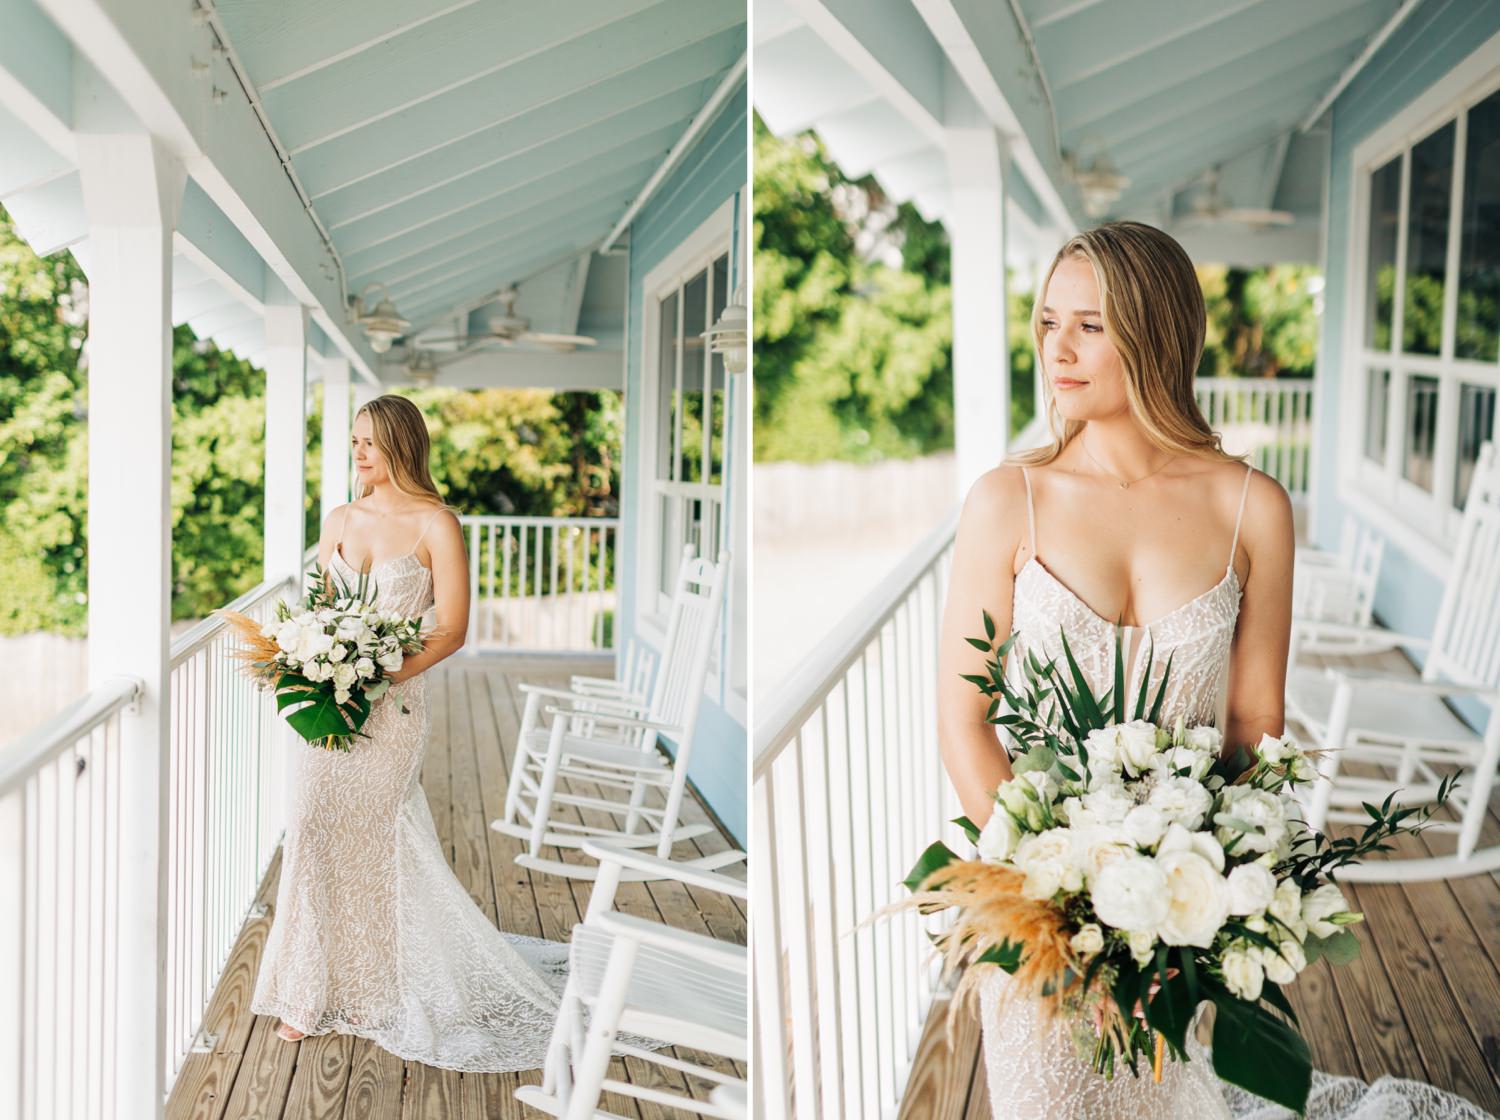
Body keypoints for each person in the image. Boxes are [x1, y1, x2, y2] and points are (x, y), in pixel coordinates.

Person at [936, 222, 1488, 1119]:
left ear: (1156, 338)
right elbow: (965, 721)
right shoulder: (1007, 501)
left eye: (1090, 326)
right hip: (1039, 927)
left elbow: (1250, 729)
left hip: (1179, 920)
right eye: (1047, 322)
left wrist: (1205, 908)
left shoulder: (1253, 509)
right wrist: (1056, 903)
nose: (1057, 350)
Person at [249, 394, 567, 1071]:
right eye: (354, 441)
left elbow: (451, 628)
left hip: (391, 712)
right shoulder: (338, 518)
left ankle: (369, 990)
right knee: (310, 826)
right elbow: (318, 612)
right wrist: (316, 667)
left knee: (375, 836)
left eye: (370, 442)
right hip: (323, 707)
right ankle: (306, 989)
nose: (357, 453)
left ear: (402, 446)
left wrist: (375, 677)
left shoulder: (436, 524)